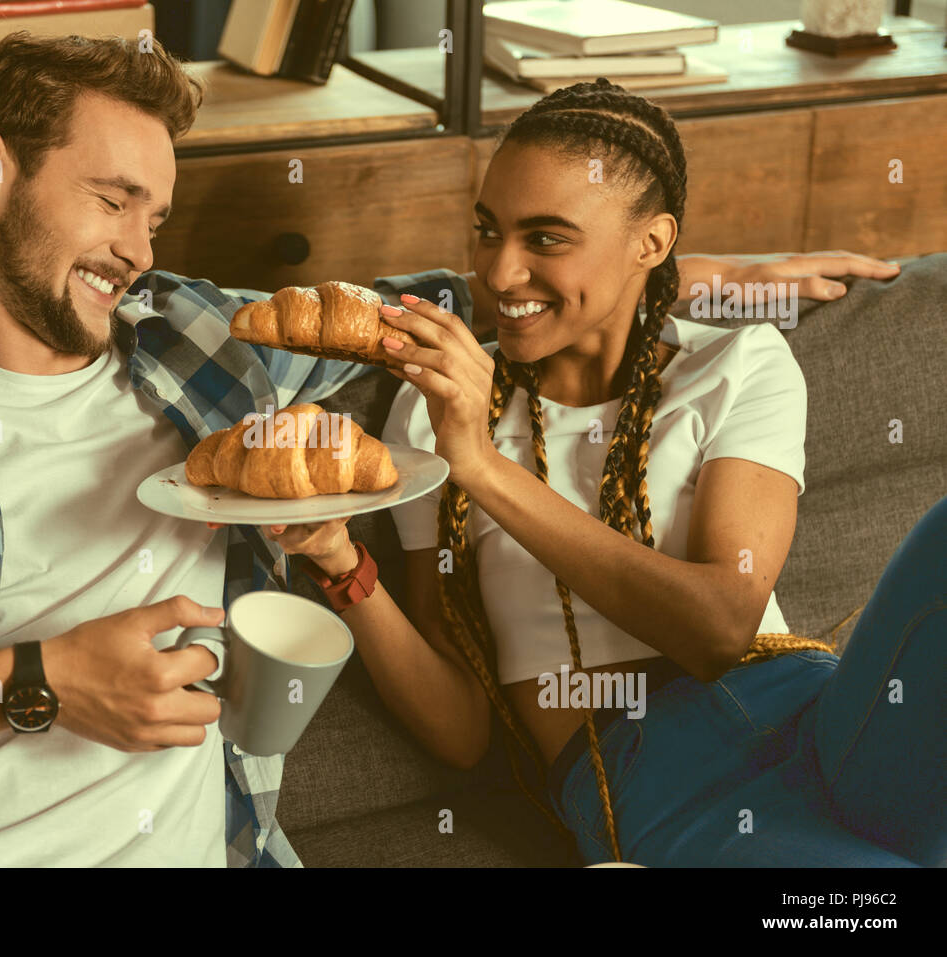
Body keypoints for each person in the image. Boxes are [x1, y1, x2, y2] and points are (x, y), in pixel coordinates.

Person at [0, 31, 903, 867]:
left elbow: (459, 303)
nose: (140, 247)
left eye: (158, 213)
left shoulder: (195, 341)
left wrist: (708, 277)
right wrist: (33, 682)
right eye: (111, 200)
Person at [265, 78, 942, 867]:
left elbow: (722, 627)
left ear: (651, 244)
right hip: (654, 782)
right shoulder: (434, 408)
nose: (500, 272)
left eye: (546, 238)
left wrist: (484, 468)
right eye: (488, 231)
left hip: (820, 711)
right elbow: (460, 734)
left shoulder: (738, 362)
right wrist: (343, 567)